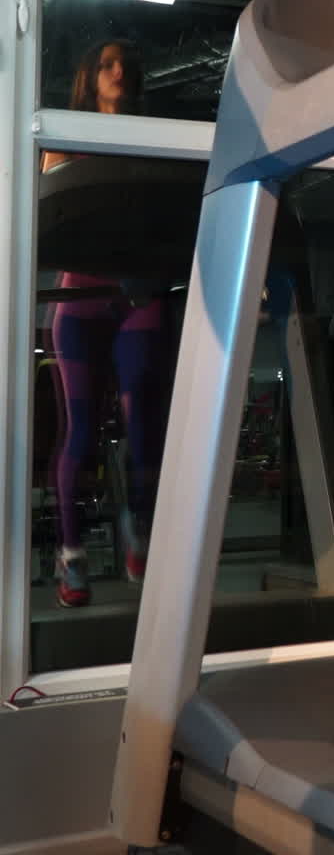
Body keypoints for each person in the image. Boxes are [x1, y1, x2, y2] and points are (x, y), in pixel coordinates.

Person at [42, 39, 172, 608]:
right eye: (107, 63)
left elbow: (169, 220)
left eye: (127, 63)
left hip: (138, 295)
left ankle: (138, 528)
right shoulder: (66, 137)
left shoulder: (155, 141)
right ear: (90, 77)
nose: (119, 70)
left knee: (143, 420)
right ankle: (71, 555)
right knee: (81, 433)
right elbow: (48, 212)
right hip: (80, 301)